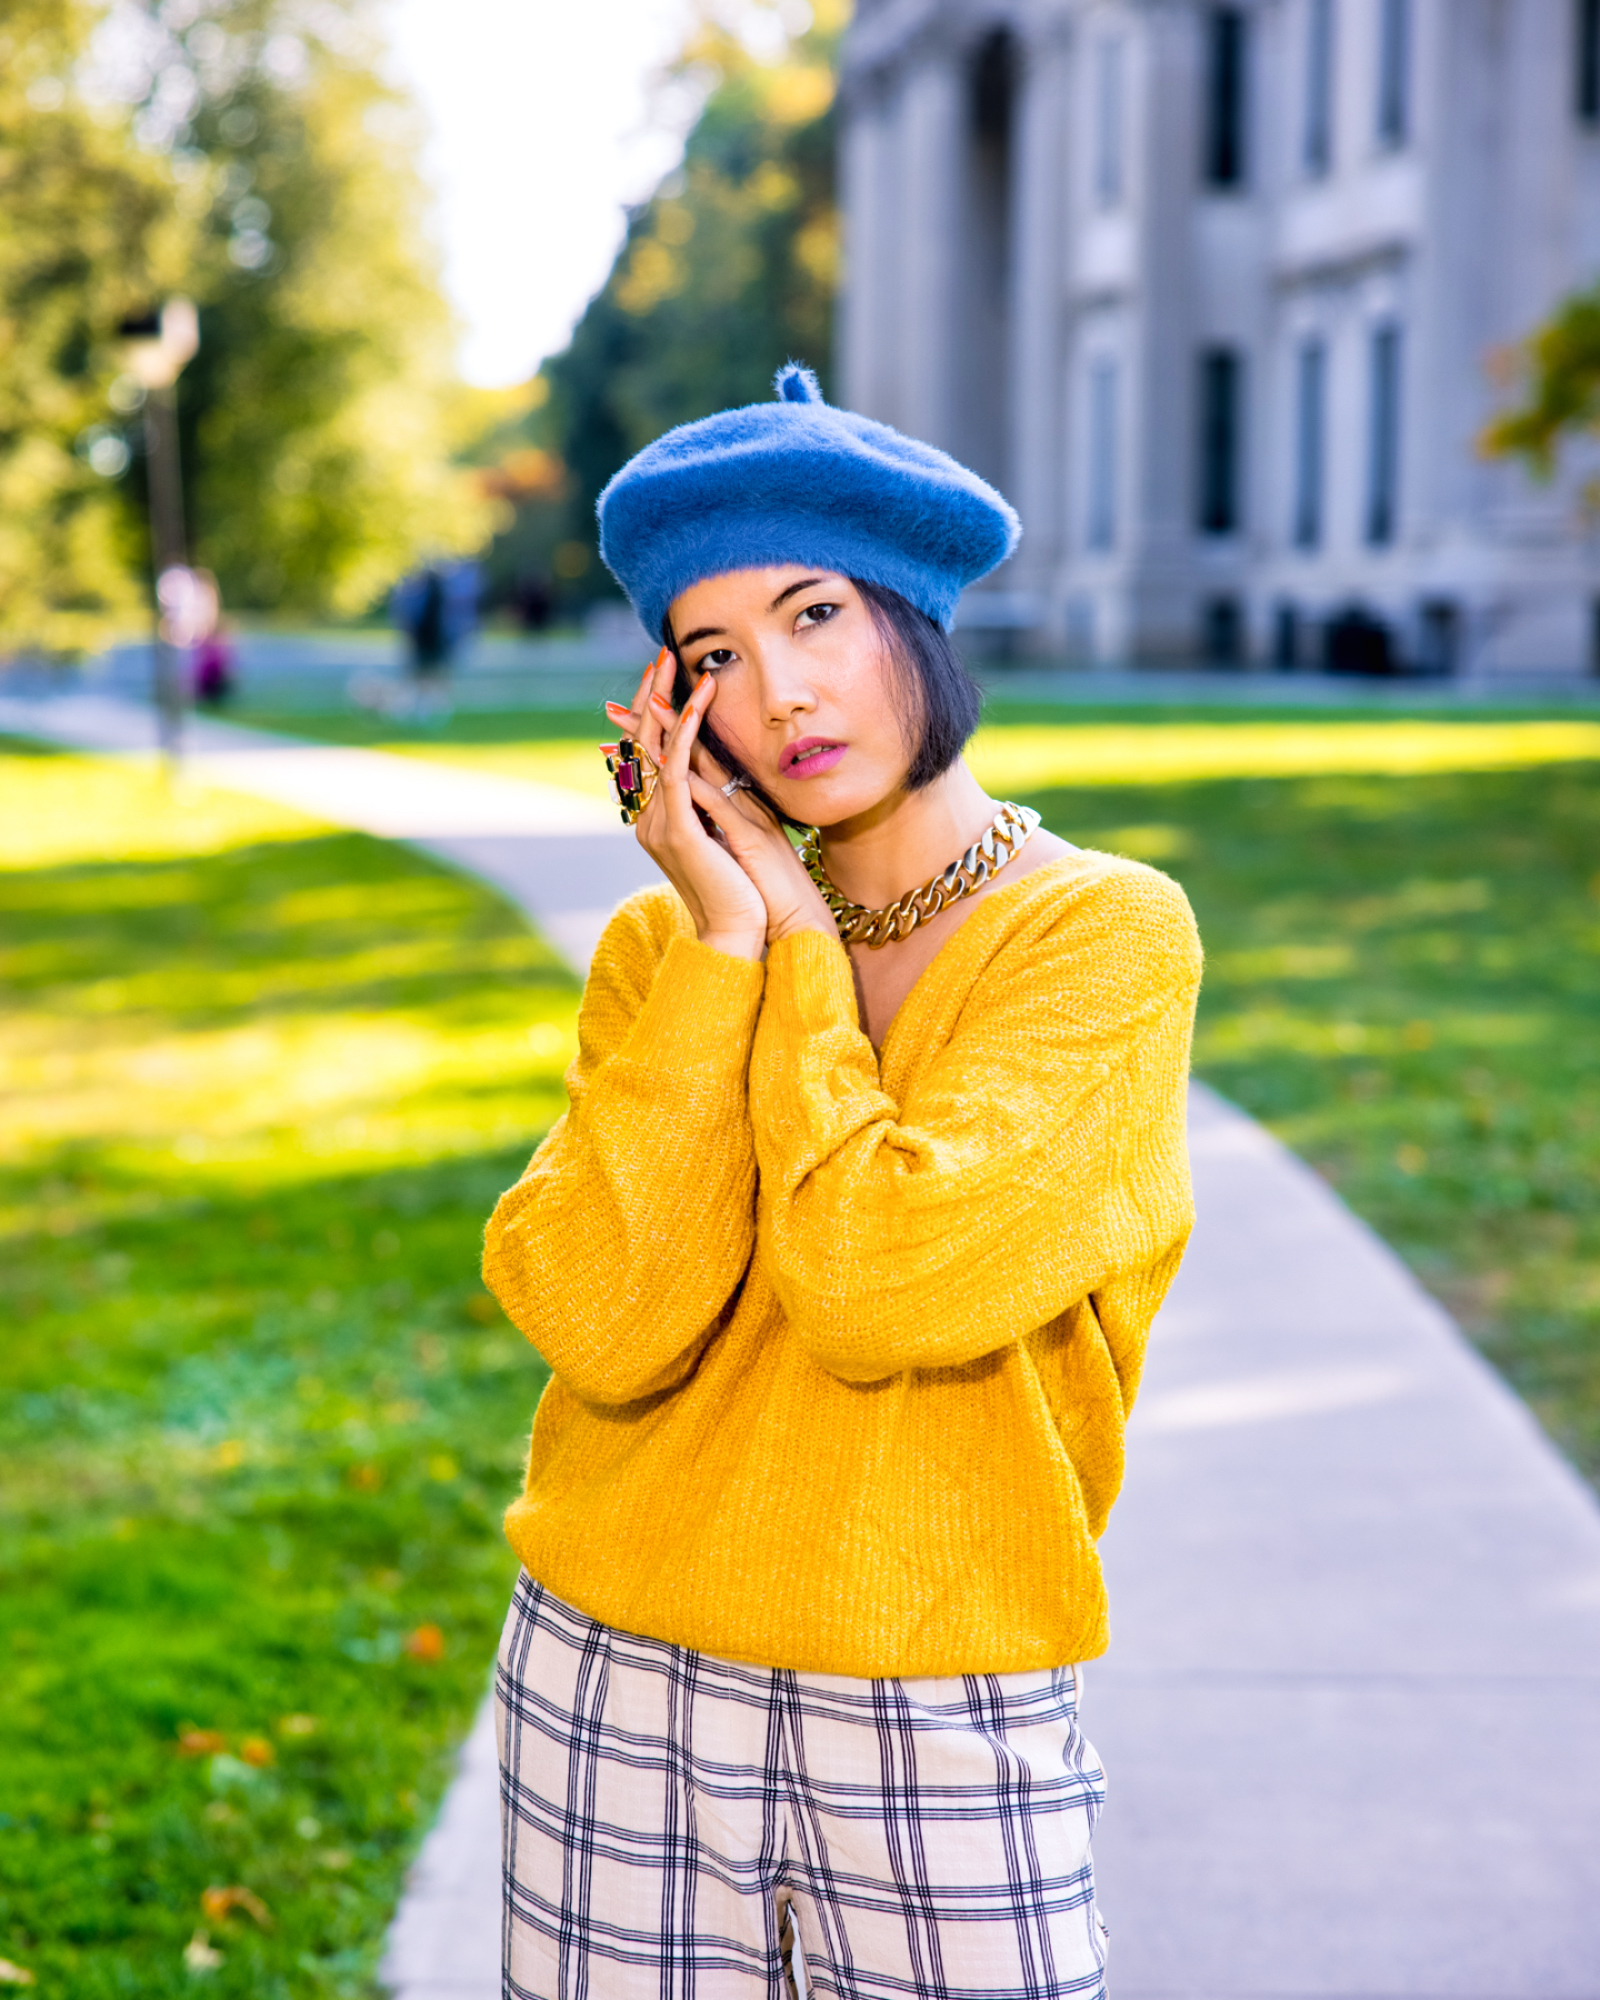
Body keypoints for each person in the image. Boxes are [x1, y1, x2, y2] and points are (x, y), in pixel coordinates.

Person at [482, 364, 1201, 1999]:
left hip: (937, 1687)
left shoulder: (1099, 937)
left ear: (916, 619)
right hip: (615, 1673)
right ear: (673, 710)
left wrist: (797, 948)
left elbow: (882, 1284)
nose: (782, 693)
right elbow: (603, 1320)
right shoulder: (668, 949)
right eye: (717, 654)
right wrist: (736, 942)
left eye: (816, 615)